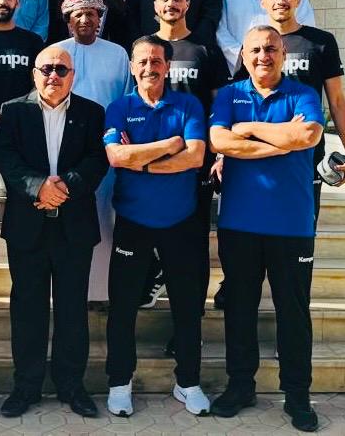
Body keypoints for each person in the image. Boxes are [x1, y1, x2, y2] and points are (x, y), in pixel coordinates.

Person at [209, 25, 325, 432]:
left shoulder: (303, 94)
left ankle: (297, 395)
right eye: (255, 49)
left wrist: (248, 128)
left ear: (283, 54)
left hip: (292, 224)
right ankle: (241, 386)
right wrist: (281, 141)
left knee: (293, 313)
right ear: (243, 55)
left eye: (271, 49)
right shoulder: (229, 95)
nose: (263, 56)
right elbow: (221, 141)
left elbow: (308, 134)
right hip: (239, 223)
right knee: (240, 309)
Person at [0, 46, 108, 419]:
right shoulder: (13, 111)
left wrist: (64, 188)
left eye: (62, 70)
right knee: (27, 309)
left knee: (72, 309)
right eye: (46, 69)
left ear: (72, 76)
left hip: (74, 227)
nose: (53, 76)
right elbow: (7, 158)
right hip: (27, 226)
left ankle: (71, 386)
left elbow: (97, 160)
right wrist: (38, 187)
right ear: (34, 73)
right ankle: (26, 386)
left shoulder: (92, 113)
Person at [104, 35, 209, 418]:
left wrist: (141, 160)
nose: (150, 67)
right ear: (133, 67)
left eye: (157, 61)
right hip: (133, 221)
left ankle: (188, 383)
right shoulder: (119, 107)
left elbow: (195, 157)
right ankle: (119, 383)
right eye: (143, 61)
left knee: (186, 306)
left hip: (181, 221)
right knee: (123, 306)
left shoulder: (188, 104)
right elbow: (116, 156)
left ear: (167, 66)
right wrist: (169, 145)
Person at [141, 0, 230, 349]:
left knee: (192, 251)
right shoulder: (145, 48)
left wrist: (221, 153)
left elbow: (222, 106)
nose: (171, 4)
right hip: (150, 167)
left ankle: (188, 329)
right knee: (146, 241)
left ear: (187, 4)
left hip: (195, 166)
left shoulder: (204, 50)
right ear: (155, 5)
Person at [53, 0, 132, 308]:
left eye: (92, 14)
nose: (86, 19)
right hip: (66, 148)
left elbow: (125, 97)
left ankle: (101, 292)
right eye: (79, 14)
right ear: (68, 20)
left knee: (104, 216)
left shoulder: (118, 54)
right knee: (71, 218)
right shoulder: (56, 53)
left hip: (107, 146)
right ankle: (70, 291)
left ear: (101, 19)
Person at [260, 0, 345, 200]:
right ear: (263, 2)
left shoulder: (321, 42)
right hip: (262, 151)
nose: (280, 1)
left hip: (308, 152)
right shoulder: (255, 44)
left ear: (297, 0)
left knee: (304, 221)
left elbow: (337, 102)